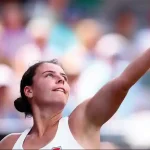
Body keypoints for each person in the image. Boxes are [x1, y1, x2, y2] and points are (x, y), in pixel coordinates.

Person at [1, 48, 150, 149]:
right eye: (49, 75)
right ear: (29, 90)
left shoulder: (82, 120)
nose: (61, 80)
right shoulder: (9, 144)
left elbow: (122, 83)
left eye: (64, 78)